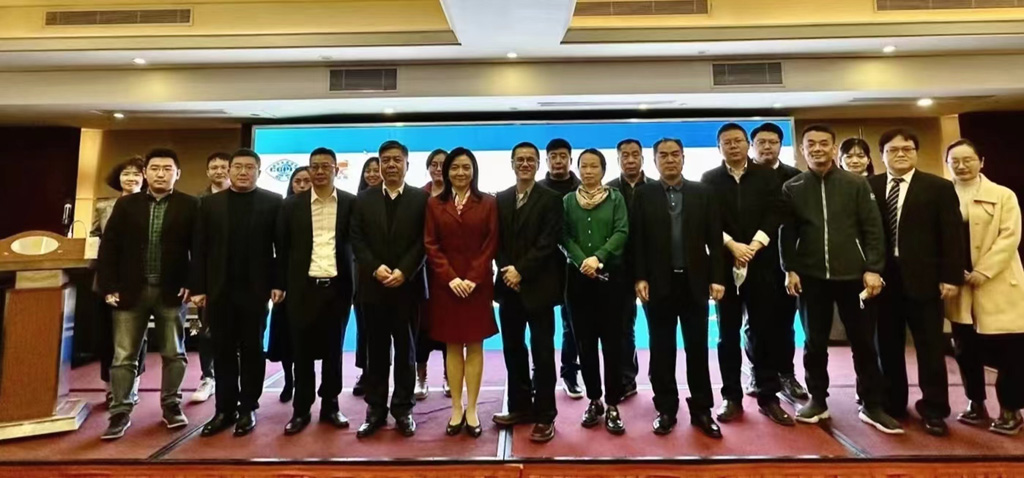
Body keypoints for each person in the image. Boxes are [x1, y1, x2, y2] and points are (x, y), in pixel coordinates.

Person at [779, 125, 902, 434]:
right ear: (802, 150)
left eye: (824, 143)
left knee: (864, 343)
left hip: (855, 277)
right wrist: (789, 268)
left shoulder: (856, 184)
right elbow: (787, 232)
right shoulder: (793, 187)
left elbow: (873, 228)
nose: (817, 148)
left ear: (834, 148)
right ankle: (818, 400)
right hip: (812, 278)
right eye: (811, 144)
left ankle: (872, 404)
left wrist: (873, 268)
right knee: (814, 343)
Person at [98, 148, 198, 440]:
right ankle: (120, 411)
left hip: (171, 290)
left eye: (167, 169)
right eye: (155, 168)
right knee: (124, 355)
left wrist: (192, 282)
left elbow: (199, 248)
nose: (160, 174)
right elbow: (110, 246)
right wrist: (109, 286)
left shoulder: (191, 205)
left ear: (177, 174)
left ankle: (171, 405)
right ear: (146, 173)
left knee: (174, 352)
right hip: (130, 290)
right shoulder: (127, 205)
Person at [868, 129, 962, 436]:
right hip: (883, 280)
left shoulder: (938, 187)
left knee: (930, 347)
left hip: (926, 280)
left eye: (907, 149)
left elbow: (952, 234)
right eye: (893, 149)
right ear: (882, 154)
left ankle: (934, 409)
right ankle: (893, 403)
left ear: (916, 152)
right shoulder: (869, 186)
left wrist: (950, 276)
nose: (900, 154)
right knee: (887, 346)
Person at [700, 123, 793, 427]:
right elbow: (708, 219)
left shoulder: (767, 175)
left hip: (762, 263)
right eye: (727, 142)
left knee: (764, 331)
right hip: (724, 265)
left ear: (747, 144)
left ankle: (769, 397)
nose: (733, 146)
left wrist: (754, 245)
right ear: (719, 147)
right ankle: (731, 397)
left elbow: (776, 212)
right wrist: (732, 245)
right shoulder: (710, 179)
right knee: (727, 335)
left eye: (738, 141)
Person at [631, 138, 724, 438]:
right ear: (654, 160)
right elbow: (637, 240)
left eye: (675, 155)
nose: (670, 160)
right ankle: (666, 409)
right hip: (658, 283)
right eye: (663, 155)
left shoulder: (703, 192)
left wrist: (717, 277)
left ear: (684, 158)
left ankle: (702, 410)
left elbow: (715, 239)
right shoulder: (643, 194)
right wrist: (639, 277)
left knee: (697, 349)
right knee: (662, 349)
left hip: (695, 283)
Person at [191, 149, 284, 437]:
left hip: (255, 290)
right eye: (238, 167)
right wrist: (198, 287)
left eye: (250, 167)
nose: (243, 172)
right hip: (219, 290)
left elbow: (281, 247)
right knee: (223, 351)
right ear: (229, 171)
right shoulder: (209, 204)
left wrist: (278, 283)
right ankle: (224, 409)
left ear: (259, 171)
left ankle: (248, 408)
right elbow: (199, 247)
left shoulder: (273, 201)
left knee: (253, 350)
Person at [944, 139, 1024, 436]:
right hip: (959, 285)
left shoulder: (1003, 195)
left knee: (1010, 351)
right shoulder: (943, 194)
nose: (962, 166)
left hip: (998, 282)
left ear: (982, 162)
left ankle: (1011, 409)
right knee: (965, 349)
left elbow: (1009, 237)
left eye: (968, 159)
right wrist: (951, 271)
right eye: (955, 161)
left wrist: (983, 270)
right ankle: (975, 403)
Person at [351, 140, 429, 438]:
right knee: (376, 351)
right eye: (386, 160)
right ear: (379, 164)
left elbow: (424, 240)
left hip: (408, 287)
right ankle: (375, 410)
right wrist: (376, 267)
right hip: (373, 286)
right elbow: (357, 239)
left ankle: (403, 409)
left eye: (397, 160)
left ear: (407, 164)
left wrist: (404, 271)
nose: (391, 165)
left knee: (407, 351)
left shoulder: (420, 199)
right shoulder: (363, 199)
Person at [276, 148, 357, 435]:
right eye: (315, 166)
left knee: (334, 350)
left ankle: (331, 406)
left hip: (337, 287)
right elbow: (282, 249)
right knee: (301, 351)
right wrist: (279, 284)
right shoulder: (291, 205)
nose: (320, 171)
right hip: (302, 288)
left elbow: (358, 245)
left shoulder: (350, 203)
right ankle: (301, 409)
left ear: (336, 170)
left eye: (326, 166)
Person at [423, 147, 499, 438]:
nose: (460, 172)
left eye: (466, 167)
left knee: (475, 345)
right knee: (452, 346)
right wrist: (451, 278)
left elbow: (491, 243)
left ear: (474, 170)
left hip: (477, 286)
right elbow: (430, 244)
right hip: (446, 287)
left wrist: (473, 278)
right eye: (455, 167)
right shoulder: (434, 204)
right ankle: (456, 408)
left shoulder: (488, 202)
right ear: (446, 172)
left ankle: (473, 408)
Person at [492, 141, 564, 443]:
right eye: (519, 159)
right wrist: (507, 269)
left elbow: (548, 242)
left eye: (530, 160)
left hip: (539, 288)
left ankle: (545, 414)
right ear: (512, 164)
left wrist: (521, 270)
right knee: (513, 349)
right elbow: (495, 241)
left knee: (543, 353)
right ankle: (520, 406)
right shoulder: (500, 198)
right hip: (509, 289)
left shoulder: (551, 199)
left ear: (538, 164)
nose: (525, 164)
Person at [563, 148, 629, 434]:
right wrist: (583, 261)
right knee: (585, 344)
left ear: (603, 170)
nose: (588, 171)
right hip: (578, 282)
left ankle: (613, 403)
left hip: (611, 281)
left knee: (613, 345)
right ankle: (594, 400)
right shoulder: (568, 201)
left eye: (594, 166)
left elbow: (622, 232)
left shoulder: (616, 198)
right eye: (584, 166)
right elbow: (564, 236)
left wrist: (598, 258)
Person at [746, 123, 807, 402]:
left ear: (781, 145)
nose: (767, 146)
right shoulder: (744, 176)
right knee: (754, 324)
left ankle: (786, 373)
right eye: (761, 142)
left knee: (784, 321)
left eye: (772, 141)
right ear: (752, 146)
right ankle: (758, 373)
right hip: (751, 259)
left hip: (787, 262)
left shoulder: (795, 178)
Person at [91, 156, 148, 407]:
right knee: (107, 337)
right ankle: (110, 388)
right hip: (108, 278)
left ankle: (132, 387)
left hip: (140, 280)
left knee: (137, 338)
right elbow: (94, 238)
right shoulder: (104, 206)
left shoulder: (151, 205)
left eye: (136, 174)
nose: (131, 178)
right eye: (126, 173)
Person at [606, 138, 656, 399]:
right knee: (622, 328)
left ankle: (658, 378)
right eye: (624, 155)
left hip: (653, 269)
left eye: (635, 154)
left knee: (658, 327)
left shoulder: (657, 188)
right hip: (619, 270)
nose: (630, 159)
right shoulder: (608, 190)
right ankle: (627, 379)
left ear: (642, 158)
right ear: (618, 160)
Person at [537, 138, 583, 399]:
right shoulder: (538, 189)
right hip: (542, 267)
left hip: (573, 268)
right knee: (541, 328)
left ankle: (570, 373)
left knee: (571, 325)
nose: (558, 161)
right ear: (547, 160)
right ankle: (540, 374)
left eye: (562, 156)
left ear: (570, 159)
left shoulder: (582, 189)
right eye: (553, 156)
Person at [267, 166, 311, 403]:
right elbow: (277, 250)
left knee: (310, 341)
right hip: (286, 283)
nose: (302, 186)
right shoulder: (282, 208)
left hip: (313, 282)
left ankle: (307, 385)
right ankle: (288, 380)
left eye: (307, 181)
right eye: (298, 181)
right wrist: (278, 283)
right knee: (286, 338)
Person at [191, 152, 231, 403]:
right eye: (214, 167)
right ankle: (208, 376)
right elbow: (195, 247)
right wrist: (197, 285)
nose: (219, 171)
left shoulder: (243, 197)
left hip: (241, 278)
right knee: (207, 332)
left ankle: (234, 379)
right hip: (209, 279)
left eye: (223, 166)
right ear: (207, 172)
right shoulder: (198, 202)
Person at [417, 148, 451, 400]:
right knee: (422, 327)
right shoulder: (418, 197)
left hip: (451, 272)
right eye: (434, 164)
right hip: (422, 270)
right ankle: (421, 377)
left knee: (450, 327)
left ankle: (450, 376)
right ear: (428, 168)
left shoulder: (459, 195)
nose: (438, 169)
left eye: (443, 164)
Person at [352, 157, 382, 396]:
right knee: (365, 328)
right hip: (362, 273)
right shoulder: (356, 202)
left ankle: (383, 375)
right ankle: (365, 372)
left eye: (375, 170)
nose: (371, 174)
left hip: (393, 274)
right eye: (368, 171)